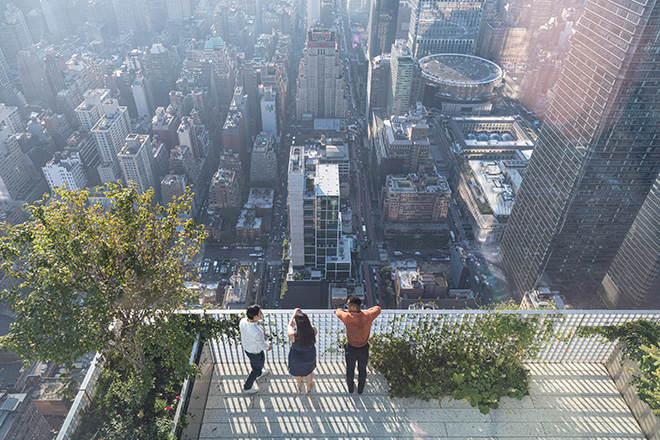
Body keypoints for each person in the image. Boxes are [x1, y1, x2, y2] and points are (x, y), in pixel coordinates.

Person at [334, 296, 381, 394]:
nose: (346, 306)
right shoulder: (368, 316)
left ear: (352, 307)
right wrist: (368, 310)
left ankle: (350, 388)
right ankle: (360, 389)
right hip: (364, 348)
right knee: (362, 369)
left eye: (348, 305)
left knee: (350, 369)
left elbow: (337, 311)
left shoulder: (347, 317)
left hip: (351, 348)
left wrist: (346, 312)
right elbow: (378, 309)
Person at [239, 304, 272, 394]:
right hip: (256, 352)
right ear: (255, 316)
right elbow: (262, 345)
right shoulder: (258, 332)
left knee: (255, 364)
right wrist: (268, 346)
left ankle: (259, 372)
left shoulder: (243, 321)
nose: (262, 314)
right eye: (260, 313)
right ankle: (247, 387)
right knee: (256, 369)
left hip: (247, 349)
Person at [287, 308, 317, 393]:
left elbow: (290, 325)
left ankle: (299, 385)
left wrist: (294, 314)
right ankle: (309, 386)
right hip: (309, 356)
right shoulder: (313, 330)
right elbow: (309, 327)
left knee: (298, 373)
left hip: (296, 358)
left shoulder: (293, 335)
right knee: (308, 372)